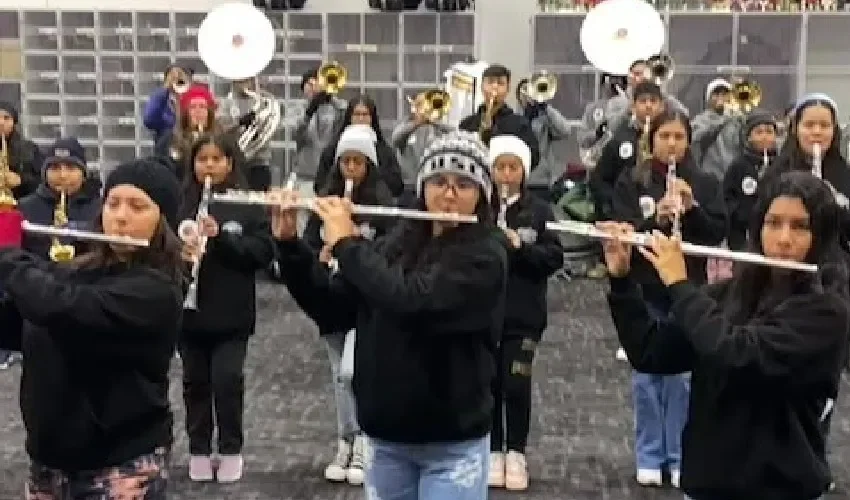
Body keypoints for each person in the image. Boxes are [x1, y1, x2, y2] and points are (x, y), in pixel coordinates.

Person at [271, 131, 507, 500]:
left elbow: (411, 300)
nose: (449, 194)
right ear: (423, 186)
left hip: (452, 443)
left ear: (481, 195)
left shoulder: (486, 255)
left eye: (464, 184)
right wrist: (290, 247)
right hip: (386, 437)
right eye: (439, 182)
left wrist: (348, 244)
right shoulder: (394, 244)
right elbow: (334, 308)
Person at [602, 170, 849, 500]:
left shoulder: (825, 309)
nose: (784, 239)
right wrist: (621, 281)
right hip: (708, 484)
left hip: (781, 488)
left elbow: (736, 354)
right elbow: (651, 351)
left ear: (821, 234)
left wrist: (679, 284)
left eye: (800, 226)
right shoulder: (729, 294)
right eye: (773, 223)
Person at [0, 158, 184, 500]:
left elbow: (58, 306)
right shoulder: (75, 270)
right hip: (49, 465)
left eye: (138, 206)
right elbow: (22, 320)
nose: (121, 216)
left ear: (164, 221)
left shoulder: (156, 290)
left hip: (120, 467)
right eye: (113, 203)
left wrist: (7, 253)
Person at [609, 109, 727, 488]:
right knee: (646, 375)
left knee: (681, 379)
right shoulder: (633, 180)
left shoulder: (705, 182)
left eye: (679, 136)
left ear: (689, 140)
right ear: (652, 140)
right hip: (646, 286)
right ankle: (648, 453)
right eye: (665, 137)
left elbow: (714, 236)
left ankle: (678, 453)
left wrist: (691, 210)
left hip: (687, 288)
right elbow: (625, 230)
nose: (672, 144)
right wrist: (656, 221)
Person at [177, 133, 275, 484]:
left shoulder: (245, 204)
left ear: (231, 163)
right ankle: (199, 449)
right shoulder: (182, 200)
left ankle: (231, 448)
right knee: (194, 383)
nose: (209, 166)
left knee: (227, 380)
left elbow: (262, 253)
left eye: (217, 159)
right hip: (189, 313)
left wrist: (222, 238)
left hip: (232, 313)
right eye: (202, 159)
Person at [303, 124, 396, 485]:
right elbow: (309, 244)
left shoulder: (381, 206)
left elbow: (393, 249)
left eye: (358, 162)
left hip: (366, 300)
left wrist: (356, 244)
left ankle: (364, 440)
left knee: (351, 372)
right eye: (345, 162)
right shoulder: (327, 201)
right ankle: (345, 441)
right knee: (338, 377)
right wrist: (321, 254)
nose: (351, 169)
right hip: (333, 299)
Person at [486, 135, 563, 491]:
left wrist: (519, 248)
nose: (505, 174)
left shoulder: (539, 211)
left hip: (524, 315)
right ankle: (491, 450)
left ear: (523, 171)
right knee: (488, 382)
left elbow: (554, 257)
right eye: (499, 167)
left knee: (516, 383)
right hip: (485, 313)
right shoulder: (482, 210)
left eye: (512, 167)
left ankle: (516, 450)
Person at [17, 138, 102, 260]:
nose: (63, 175)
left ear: (84, 174)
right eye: (55, 168)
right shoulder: (25, 207)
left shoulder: (100, 208)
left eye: (71, 167)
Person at [314, 95, 403, 198]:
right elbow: (319, 185)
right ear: (349, 117)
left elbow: (397, 186)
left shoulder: (385, 151)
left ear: (372, 118)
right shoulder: (332, 149)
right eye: (356, 114)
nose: (361, 119)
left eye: (365, 114)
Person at [458, 64, 540, 168]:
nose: (495, 87)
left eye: (500, 83)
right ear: (482, 86)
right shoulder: (467, 124)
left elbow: (533, 156)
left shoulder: (519, 123)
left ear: (508, 89)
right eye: (490, 82)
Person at [722, 109, 779, 251]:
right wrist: (742, 214)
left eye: (769, 132)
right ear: (748, 137)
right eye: (759, 132)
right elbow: (727, 198)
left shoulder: (781, 164)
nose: (765, 137)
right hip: (742, 237)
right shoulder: (738, 165)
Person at [515, 79, 574, 201]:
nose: (527, 95)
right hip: (518, 178)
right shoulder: (515, 118)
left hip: (541, 180)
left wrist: (546, 107)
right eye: (524, 92)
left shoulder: (545, 117)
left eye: (530, 90)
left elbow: (565, 130)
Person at [391, 93, 454, 206]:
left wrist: (434, 122)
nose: (426, 109)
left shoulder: (438, 128)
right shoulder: (406, 126)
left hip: (433, 185)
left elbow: (456, 133)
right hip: (411, 188)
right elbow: (396, 138)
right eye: (421, 105)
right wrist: (417, 123)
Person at [154, 84, 220, 181]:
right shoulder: (169, 140)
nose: (198, 111)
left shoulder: (221, 140)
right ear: (185, 113)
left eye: (202, 107)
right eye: (193, 107)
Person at [0, 100, 43, 199]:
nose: (1, 122)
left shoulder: (30, 149)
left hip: (21, 205)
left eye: (6, 118)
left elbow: (44, 182)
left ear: (14, 122)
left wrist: (21, 180)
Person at [143, 64, 194, 143]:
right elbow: (149, 120)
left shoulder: (193, 99)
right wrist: (165, 91)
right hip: (167, 147)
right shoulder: (161, 98)